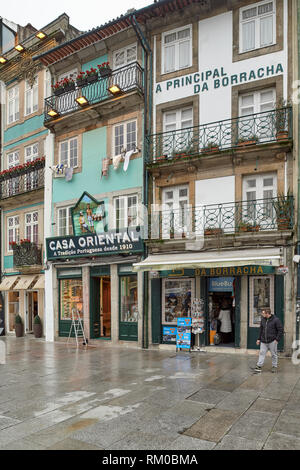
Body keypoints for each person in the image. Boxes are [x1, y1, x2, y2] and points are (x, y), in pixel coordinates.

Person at [254, 308, 284, 373]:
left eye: (263, 313)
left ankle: (274, 366)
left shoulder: (276, 320)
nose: (262, 314)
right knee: (262, 353)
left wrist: (277, 339)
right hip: (263, 341)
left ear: (267, 313)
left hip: (272, 341)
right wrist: (259, 339)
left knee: (274, 354)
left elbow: (281, 330)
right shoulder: (263, 320)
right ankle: (259, 366)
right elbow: (261, 330)